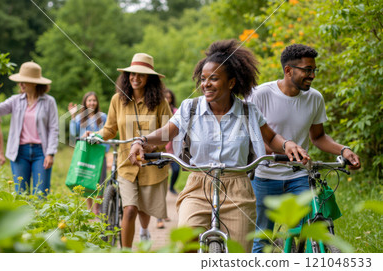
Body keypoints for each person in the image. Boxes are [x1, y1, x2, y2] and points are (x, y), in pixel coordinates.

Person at [129, 39, 309, 252]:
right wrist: (141, 141)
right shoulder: (191, 107)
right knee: (185, 245)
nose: (206, 84)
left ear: (231, 82)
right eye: (203, 79)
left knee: (239, 253)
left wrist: (287, 144)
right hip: (198, 185)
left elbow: (270, 138)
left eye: (214, 79)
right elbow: (168, 132)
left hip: (238, 188)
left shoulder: (248, 111)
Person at [249, 44, 361, 253]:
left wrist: (343, 150)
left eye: (314, 70)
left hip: (299, 175)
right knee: (263, 238)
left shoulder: (315, 98)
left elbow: (318, 137)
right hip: (265, 176)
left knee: (306, 230)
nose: (312, 76)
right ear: (288, 70)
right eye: (307, 70)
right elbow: (250, 136)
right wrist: (281, 151)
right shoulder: (261, 94)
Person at [89, 53, 172, 248]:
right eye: (132, 74)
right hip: (126, 165)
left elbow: (168, 134)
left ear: (149, 78)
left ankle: (144, 231)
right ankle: (125, 254)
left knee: (144, 209)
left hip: (151, 163)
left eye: (141, 75)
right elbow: (110, 129)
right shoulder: (117, 100)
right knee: (130, 209)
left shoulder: (161, 102)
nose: (135, 78)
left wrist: (149, 146)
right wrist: (95, 135)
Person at [0, 62, 58, 197]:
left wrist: (50, 153)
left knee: (40, 194)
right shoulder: (15, 100)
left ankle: (39, 218)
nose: (21, 84)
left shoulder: (49, 102)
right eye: (20, 81)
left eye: (24, 81)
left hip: (41, 153)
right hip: (19, 152)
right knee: (21, 194)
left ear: (35, 83)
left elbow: (54, 129)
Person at [68, 91, 108, 214]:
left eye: (94, 100)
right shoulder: (80, 118)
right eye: (89, 100)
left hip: (98, 154)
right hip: (85, 153)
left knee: (100, 181)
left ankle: (97, 209)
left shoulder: (103, 117)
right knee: (87, 180)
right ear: (85, 102)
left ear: (97, 102)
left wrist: (104, 148)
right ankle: (89, 209)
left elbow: (106, 134)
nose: (92, 103)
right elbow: (73, 132)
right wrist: (73, 116)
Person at [156, 89, 179, 229]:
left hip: (174, 149)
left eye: (169, 97)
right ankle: (160, 216)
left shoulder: (176, 111)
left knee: (176, 170)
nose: (167, 99)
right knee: (161, 185)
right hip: (161, 150)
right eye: (165, 97)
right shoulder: (158, 111)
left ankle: (172, 187)